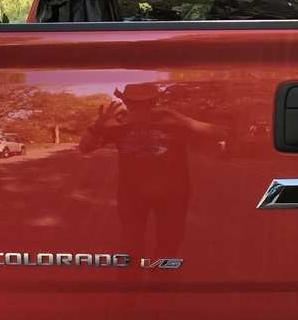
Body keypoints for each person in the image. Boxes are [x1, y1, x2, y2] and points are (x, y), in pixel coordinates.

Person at [79, 83, 228, 257]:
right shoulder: (118, 125)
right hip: (133, 196)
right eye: (135, 104)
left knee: (169, 245)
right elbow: (85, 147)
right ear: (126, 103)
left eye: (145, 103)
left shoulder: (174, 122)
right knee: (131, 246)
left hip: (173, 195)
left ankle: (161, 281)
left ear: (154, 102)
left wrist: (183, 119)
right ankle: (133, 281)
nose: (140, 108)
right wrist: (98, 126)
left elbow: (222, 134)